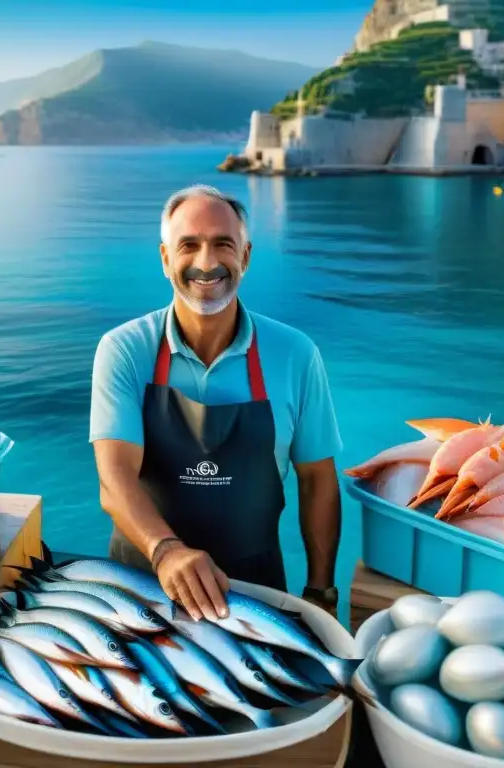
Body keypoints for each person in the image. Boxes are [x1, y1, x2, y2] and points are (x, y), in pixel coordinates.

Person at [89, 184, 343, 622]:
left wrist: (321, 592)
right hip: (139, 591)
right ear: (165, 258)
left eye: (222, 245)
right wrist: (165, 551)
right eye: (189, 245)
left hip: (257, 597)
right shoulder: (124, 350)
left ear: (245, 256)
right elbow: (115, 479)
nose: (206, 264)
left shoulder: (295, 354)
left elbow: (317, 479)